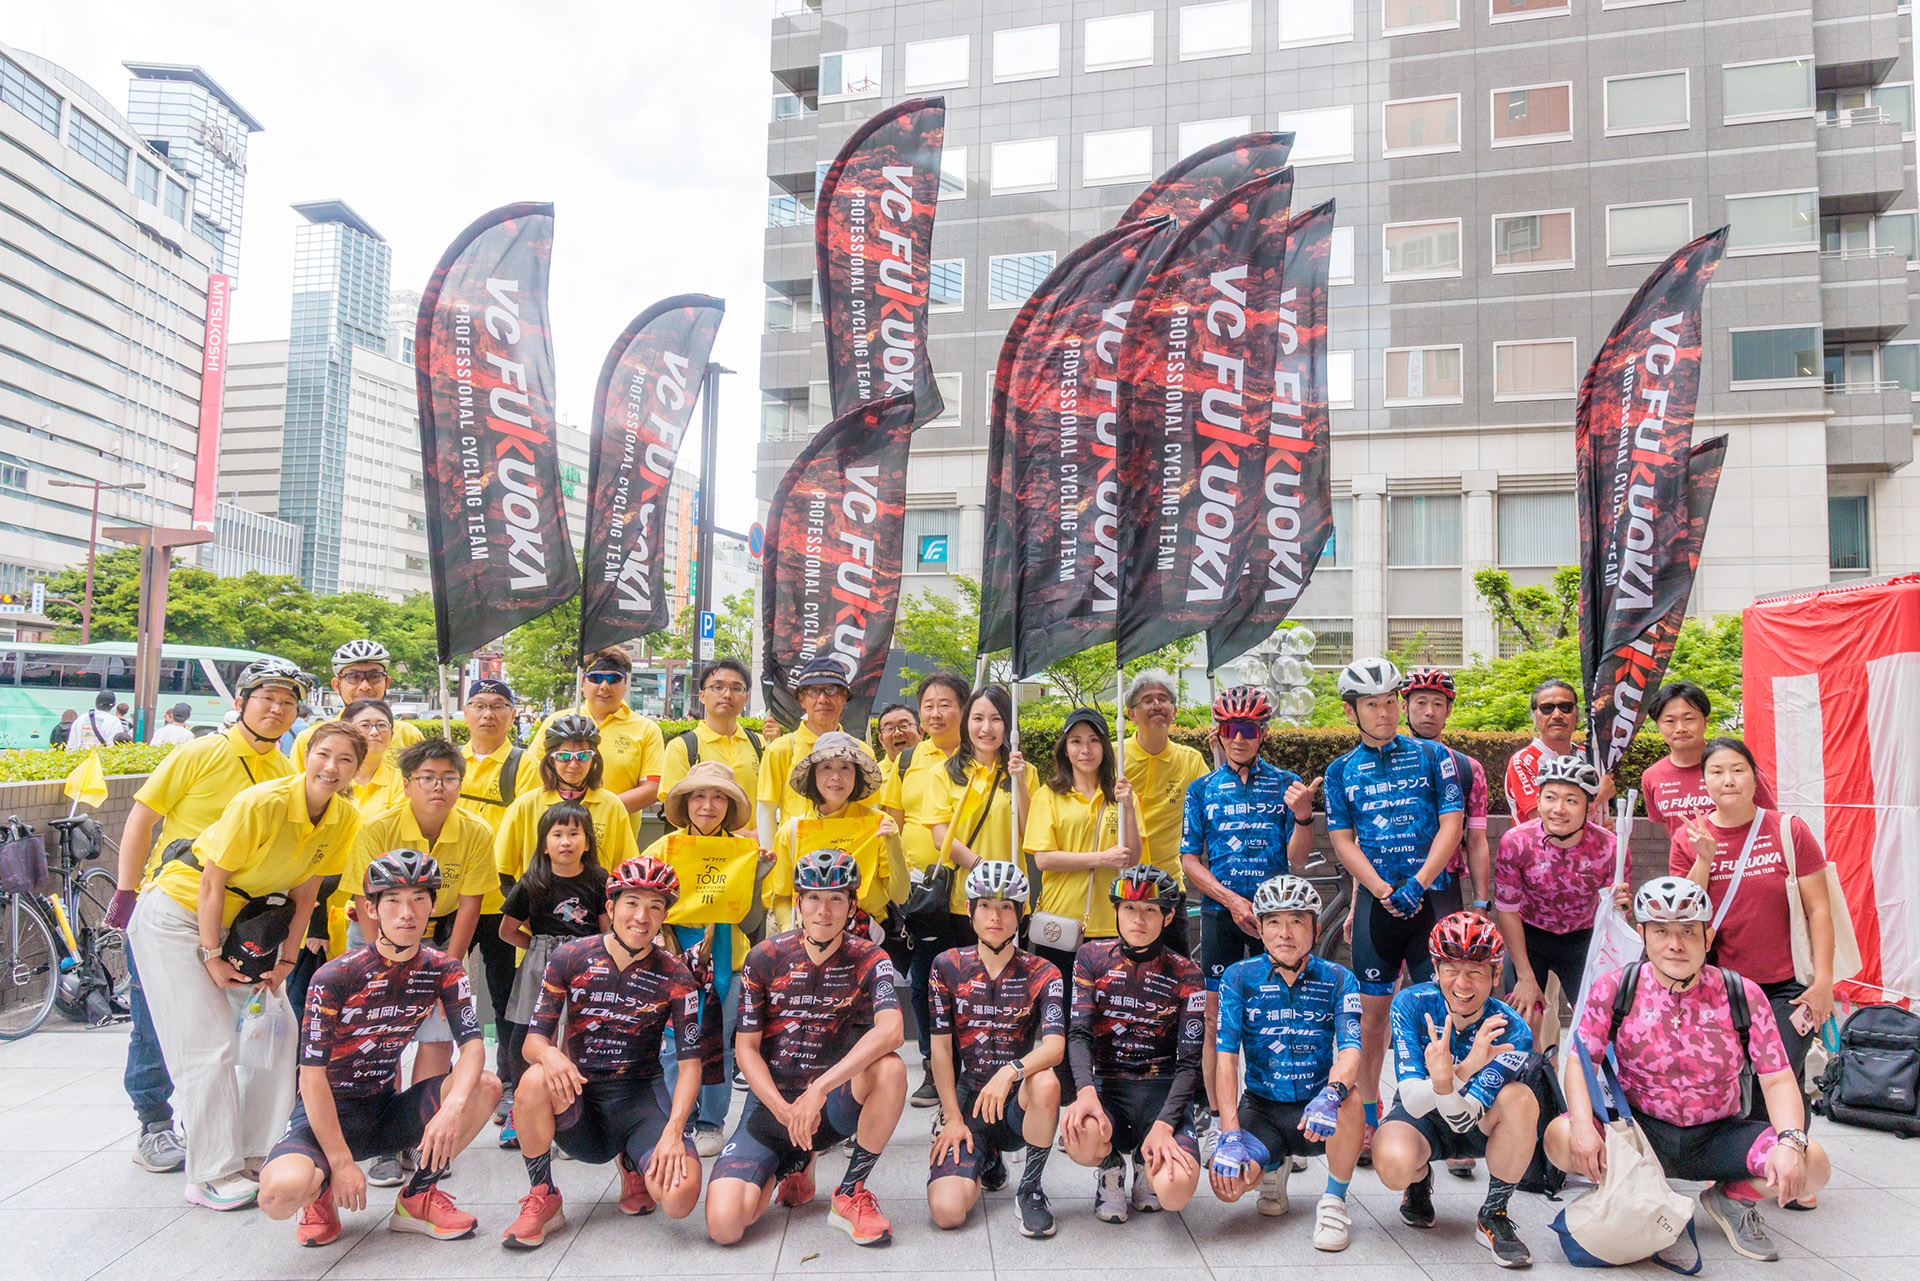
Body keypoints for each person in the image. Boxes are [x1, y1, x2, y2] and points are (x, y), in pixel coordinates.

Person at [127, 719, 365, 1210]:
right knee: (208, 1043)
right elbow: (210, 882)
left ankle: (256, 1153)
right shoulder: (262, 802)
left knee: (278, 1033)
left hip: (245, 928)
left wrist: (286, 960)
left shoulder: (344, 818)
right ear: (306, 755)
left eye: (345, 760)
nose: (331, 767)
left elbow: (305, 895)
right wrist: (212, 956)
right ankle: (210, 1173)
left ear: (357, 770)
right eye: (323, 754)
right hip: (178, 916)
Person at [1546, 876, 1830, 1262]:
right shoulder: (1615, 988)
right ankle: (1630, 1190)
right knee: (1560, 1135)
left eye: (1688, 932)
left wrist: (1790, 1141)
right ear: (1643, 936)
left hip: (1718, 1136)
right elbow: (1581, 1062)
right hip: (1640, 1134)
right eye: (1661, 931)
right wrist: (1583, 1125)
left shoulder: (1742, 994)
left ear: (1708, 938)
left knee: (1813, 1163)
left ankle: (1731, 1198)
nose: (1675, 944)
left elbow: (1777, 1078)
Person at [106, 658, 308, 1175]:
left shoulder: (289, 774)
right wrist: (126, 893)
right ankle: (154, 1123)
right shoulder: (199, 752)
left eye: (287, 702)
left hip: (238, 923)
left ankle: (243, 1140)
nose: (276, 709)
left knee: (263, 1032)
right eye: (266, 698)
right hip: (174, 907)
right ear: (240, 703)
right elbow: (142, 818)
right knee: (155, 1022)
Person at [257, 852, 500, 1246]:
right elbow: (311, 1077)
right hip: (323, 1117)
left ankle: (417, 1198)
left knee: (485, 1086)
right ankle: (318, 1196)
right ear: (370, 909)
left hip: (386, 1110)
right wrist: (339, 1162)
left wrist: (452, 1108)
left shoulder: (443, 969)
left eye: (419, 899)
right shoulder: (335, 976)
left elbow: (472, 1046)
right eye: (393, 901)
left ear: (433, 905)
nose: (407, 912)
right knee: (276, 1196)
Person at [499, 857, 706, 1249]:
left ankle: (633, 1163)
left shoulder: (676, 975)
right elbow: (532, 1042)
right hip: (580, 1101)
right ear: (610, 907)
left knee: (679, 1199)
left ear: (665, 916)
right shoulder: (570, 957)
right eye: (632, 903)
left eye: (655, 906)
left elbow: (690, 1065)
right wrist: (551, 1055)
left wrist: (675, 1133)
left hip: (641, 1100)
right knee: (534, 1077)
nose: (642, 917)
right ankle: (543, 1194)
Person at [706, 849, 908, 1248]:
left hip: (831, 1107)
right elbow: (745, 1050)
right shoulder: (765, 957)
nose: (824, 910)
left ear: (852, 905)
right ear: (798, 902)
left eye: (836, 898)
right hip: (771, 1108)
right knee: (724, 1226)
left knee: (892, 1068)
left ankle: (851, 1192)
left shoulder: (870, 957)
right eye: (814, 897)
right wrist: (784, 1110)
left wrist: (819, 1090)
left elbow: (893, 1031)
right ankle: (791, 1162)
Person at [1323, 657, 1464, 1164]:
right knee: (1372, 1017)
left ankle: (1445, 1113)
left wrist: (1419, 883)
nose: (1383, 713)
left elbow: (1453, 825)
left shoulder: (1433, 755)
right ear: (1351, 711)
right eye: (1371, 705)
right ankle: (1368, 1114)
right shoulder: (1339, 771)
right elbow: (1342, 840)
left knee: (1441, 1012)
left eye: (1388, 702)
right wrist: (1382, 889)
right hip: (1377, 905)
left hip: (1433, 897)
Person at [339, 739, 497, 1186]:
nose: (438, 787)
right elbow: (364, 901)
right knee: (380, 1035)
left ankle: (418, 1134)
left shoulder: (476, 831)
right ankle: (382, 1146)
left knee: (438, 1035)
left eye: (449, 778)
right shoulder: (378, 828)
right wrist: (383, 967)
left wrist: (444, 974)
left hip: (441, 938)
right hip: (378, 933)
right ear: (407, 784)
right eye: (427, 778)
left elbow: (470, 905)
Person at [1674, 737, 1836, 1127]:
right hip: (1720, 986)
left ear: (1754, 776)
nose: (1728, 780)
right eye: (1716, 772)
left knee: (1779, 1076)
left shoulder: (1788, 830)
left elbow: (1819, 909)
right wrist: (1704, 859)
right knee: (1723, 1080)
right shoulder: (1689, 837)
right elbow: (1683, 914)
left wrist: (1824, 982)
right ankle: (1746, 1156)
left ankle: (1787, 1156)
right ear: (1704, 781)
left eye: (1738, 770)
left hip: (1788, 986)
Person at [1181, 685, 1317, 1142]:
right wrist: (1233, 901)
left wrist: (1303, 817)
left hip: (1276, 918)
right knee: (1215, 1017)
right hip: (1223, 914)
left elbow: (1298, 859)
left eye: (1250, 729)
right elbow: (1189, 860)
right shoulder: (1202, 789)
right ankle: (1216, 1115)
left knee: (1277, 1013)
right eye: (1231, 728)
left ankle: (1277, 1115)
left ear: (1264, 733)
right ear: (1219, 732)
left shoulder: (1285, 783)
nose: (1239, 738)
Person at [1372, 912, 1539, 1269]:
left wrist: (1451, 1078)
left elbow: (1462, 1119)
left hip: (1479, 1120)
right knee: (1390, 1163)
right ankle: (1418, 1181)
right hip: (1421, 1115)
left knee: (1522, 1100)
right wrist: (1464, 1068)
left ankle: (1494, 1213)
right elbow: (1413, 1101)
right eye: (1451, 969)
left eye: (1476, 971)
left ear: (1496, 974)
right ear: (1435, 968)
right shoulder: (1411, 1003)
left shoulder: (1514, 1030)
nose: (1462, 983)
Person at [1210, 874, 1365, 1250]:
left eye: (1296, 921)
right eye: (1274, 922)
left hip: (1317, 1110)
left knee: (1352, 1099)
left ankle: (1334, 1201)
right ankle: (1273, 1167)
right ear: (1260, 929)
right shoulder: (1238, 977)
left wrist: (1332, 1094)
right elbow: (1226, 1061)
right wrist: (1229, 1133)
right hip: (1262, 1109)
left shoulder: (1339, 978)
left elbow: (1350, 1050)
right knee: (1227, 1185)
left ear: (1316, 928)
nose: (1285, 932)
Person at [926, 861, 1064, 1238]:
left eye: (1006, 907)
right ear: (969, 910)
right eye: (985, 905)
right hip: (969, 1100)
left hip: (1018, 1103)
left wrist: (1011, 1071)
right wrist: (952, 1117)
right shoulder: (946, 966)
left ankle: (1030, 1189)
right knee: (947, 1211)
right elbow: (941, 1052)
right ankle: (986, 1159)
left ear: (1021, 913)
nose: (995, 916)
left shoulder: (1044, 971)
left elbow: (1055, 1047)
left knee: (1047, 1082)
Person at [1061, 864, 1203, 1223]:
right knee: (1080, 1139)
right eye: (1129, 908)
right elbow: (1078, 1034)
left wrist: (1165, 1125)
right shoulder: (1090, 957)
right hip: (1109, 1089)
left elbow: (1190, 1063)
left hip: (1161, 1092)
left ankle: (1144, 1159)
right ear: (1116, 911)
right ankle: (1111, 1167)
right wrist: (1085, 1093)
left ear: (1167, 917)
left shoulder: (1188, 973)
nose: (1138, 919)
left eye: (1150, 910)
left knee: (1175, 1191)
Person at [643, 760, 767, 1156]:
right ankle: (676, 1120)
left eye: (718, 797)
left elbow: (751, 922)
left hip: (729, 961)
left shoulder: (744, 851)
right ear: (685, 803)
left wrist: (759, 875)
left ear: (729, 806)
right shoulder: (663, 849)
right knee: (671, 1046)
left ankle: (712, 1123)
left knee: (718, 1045)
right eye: (699, 796)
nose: (708, 806)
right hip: (671, 960)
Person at [1494, 754, 1629, 1039]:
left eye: (1571, 800)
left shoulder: (1612, 849)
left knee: (1599, 1025)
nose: (1558, 809)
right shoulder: (1516, 842)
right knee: (1525, 1019)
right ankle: (1533, 1068)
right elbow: (1506, 910)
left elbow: (1615, 917)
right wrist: (1525, 977)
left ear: (1590, 808)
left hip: (1582, 939)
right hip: (1529, 936)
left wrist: (1620, 906)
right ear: (1538, 800)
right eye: (1550, 797)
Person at [882, 672, 969, 1106]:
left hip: (972, 891)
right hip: (923, 893)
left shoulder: (980, 756)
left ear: (964, 709)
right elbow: (892, 822)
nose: (936, 713)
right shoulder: (908, 759)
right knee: (924, 983)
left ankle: (974, 1068)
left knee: (973, 982)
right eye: (929, 705)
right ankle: (935, 1069)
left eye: (945, 704)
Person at [497, 802, 612, 1130]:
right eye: (557, 834)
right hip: (540, 965)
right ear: (544, 845)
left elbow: (607, 929)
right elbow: (507, 930)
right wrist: (537, 948)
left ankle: (571, 1112)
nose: (566, 841)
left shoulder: (598, 879)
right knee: (531, 1033)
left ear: (587, 842)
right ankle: (523, 1109)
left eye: (574, 834)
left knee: (576, 1035)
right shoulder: (532, 881)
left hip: (586, 963)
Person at [453, 677, 530, 1122]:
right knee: (441, 993)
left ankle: (509, 1084)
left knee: (506, 998)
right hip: (450, 899)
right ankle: (445, 1084)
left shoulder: (525, 764)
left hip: (502, 901)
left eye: (499, 705)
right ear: (465, 711)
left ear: (513, 714)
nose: (488, 714)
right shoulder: (449, 761)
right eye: (479, 705)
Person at [1023, 707, 1145, 984]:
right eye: (1076, 741)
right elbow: (1043, 859)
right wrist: (1101, 858)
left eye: (1093, 740)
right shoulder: (1048, 795)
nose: (1085, 750)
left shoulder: (1121, 796)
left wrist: (1128, 808)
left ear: (1105, 747)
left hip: (1112, 922)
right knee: (1060, 1004)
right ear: (1065, 749)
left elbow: (1133, 859)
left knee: (1106, 1007)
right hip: (1059, 923)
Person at [765, 730, 904, 933]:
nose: (836, 777)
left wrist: (894, 844)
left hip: (867, 938)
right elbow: (781, 897)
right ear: (813, 775)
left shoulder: (880, 825)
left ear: (857, 775)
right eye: (827, 767)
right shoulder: (792, 832)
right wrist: (794, 934)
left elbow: (900, 895)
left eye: (845, 767)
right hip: (809, 939)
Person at [1119, 668, 1210, 956]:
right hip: (1120, 886)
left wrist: (1221, 752)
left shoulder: (1190, 761)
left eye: (1163, 699)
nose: (1157, 705)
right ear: (1131, 714)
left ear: (1174, 712)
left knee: (1176, 970)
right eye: (1147, 699)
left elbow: (1217, 803)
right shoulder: (1114, 757)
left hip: (1168, 885)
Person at [494, 715, 641, 891]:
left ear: (593, 759)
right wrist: (521, 904)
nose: (573, 764)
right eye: (564, 756)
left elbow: (627, 869)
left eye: (583, 756)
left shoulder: (612, 806)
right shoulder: (526, 805)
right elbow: (502, 869)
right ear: (551, 760)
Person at [928, 683, 1030, 934]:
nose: (986, 728)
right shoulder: (943, 773)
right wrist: (984, 869)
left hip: (1013, 898)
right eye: (978, 719)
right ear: (966, 723)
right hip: (965, 899)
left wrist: (1020, 783)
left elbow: (1029, 834)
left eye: (996, 719)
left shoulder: (1026, 773)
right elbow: (941, 837)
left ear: (1009, 725)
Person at [533, 647, 666, 827]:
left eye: (613, 679)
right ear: (583, 681)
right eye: (595, 678)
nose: (604, 686)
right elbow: (534, 775)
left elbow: (651, 790)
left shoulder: (646, 730)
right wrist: (568, 814)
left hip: (616, 833)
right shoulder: (557, 723)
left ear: (626, 682)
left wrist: (596, 811)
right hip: (558, 831)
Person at [1402, 667, 1492, 919]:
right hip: (1390, 883)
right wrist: (1356, 904)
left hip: (1445, 887)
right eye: (1421, 702)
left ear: (1448, 710)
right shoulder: (1382, 764)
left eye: (1438, 704)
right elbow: (1366, 837)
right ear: (1404, 707)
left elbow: (1476, 841)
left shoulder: (1468, 769)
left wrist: (1480, 903)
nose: (1430, 711)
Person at [756, 655, 874, 845]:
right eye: (813, 691)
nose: (822, 699)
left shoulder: (861, 752)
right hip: (796, 854)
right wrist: (773, 858)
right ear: (802, 700)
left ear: (844, 697)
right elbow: (766, 811)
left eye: (831, 690)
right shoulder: (782, 749)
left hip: (850, 854)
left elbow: (870, 810)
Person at [1642, 682, 1777, 837]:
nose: (1680, 728)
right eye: (1669, 721)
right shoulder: (1652, 777)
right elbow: (1671, 833)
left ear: (1705, 721)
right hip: (1688, 854)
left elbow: (1771, 820)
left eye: (1689, 719)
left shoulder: (1737, 767)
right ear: (1658, 726)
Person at [293, 640, 424, 764]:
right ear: (336, 685)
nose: (365, 686)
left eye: (374, 676)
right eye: (354, 677)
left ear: (387, 682)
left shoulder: (409, 736)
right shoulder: (309, 739)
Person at [1503, 679, 1614, 824]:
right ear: (1534, 717)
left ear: (1577, 715)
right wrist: (1599, 797)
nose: (1557, 715)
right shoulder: (1522, 762)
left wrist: (1601, 832)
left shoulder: (1589, 757)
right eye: (1547, 708)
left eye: (1565, 707)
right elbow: (1544, 822)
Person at [659, 658, 762, 807]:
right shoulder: (682, 748)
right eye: (718, 687)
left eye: (736, 688)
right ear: (702, 696)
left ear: (745, 698)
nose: (727, 694)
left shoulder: (760, 745)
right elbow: (675, 808)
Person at [342, 698, 404, 819]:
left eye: (382, 725)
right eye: (365, 725)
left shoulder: (402, 782)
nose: (374, 732)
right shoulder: (331, 778)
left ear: (391, 734)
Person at [875, 701, 921, 781]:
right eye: (889, 728)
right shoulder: (873, 778)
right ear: (881, 740)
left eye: (904, 726)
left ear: (920, 733)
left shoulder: (937, 768)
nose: (897, 733)